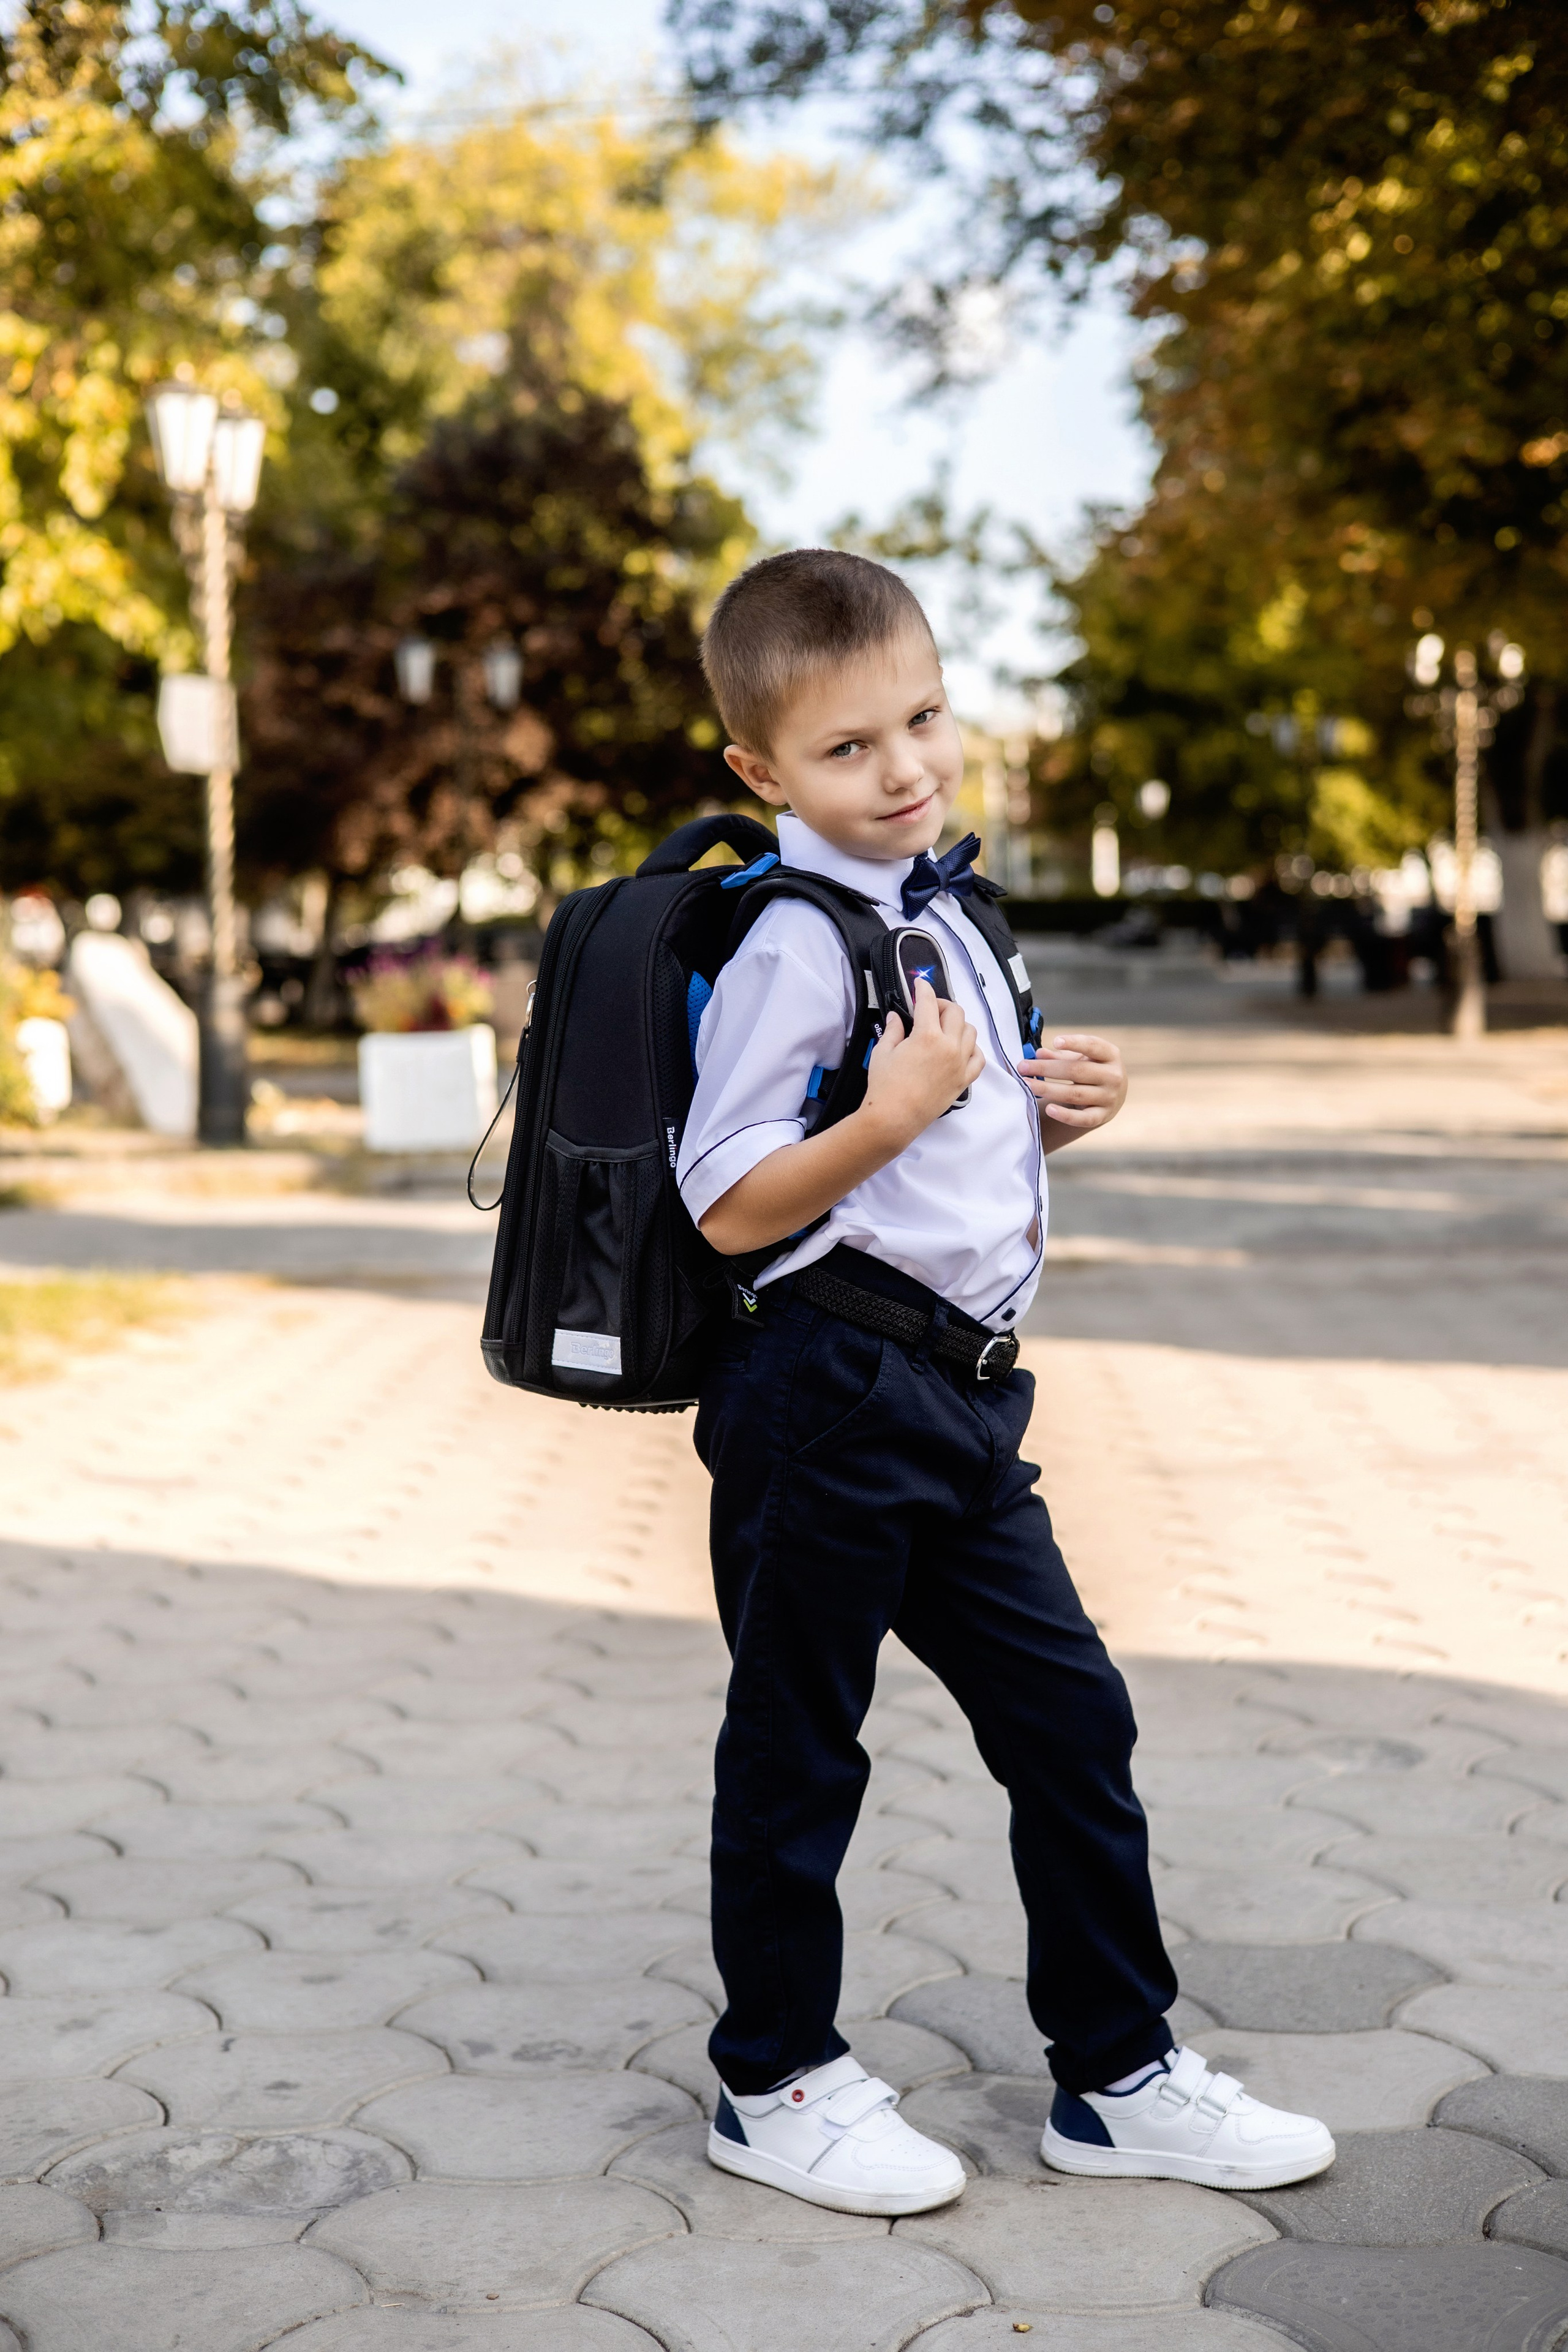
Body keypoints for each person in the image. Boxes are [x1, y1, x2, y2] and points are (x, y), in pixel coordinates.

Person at [678, 548, 1335, 2218]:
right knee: (802, 1749)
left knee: (1072, 1719)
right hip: (828, 1392)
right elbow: (728, 1198)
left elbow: (940, 1150)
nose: (903, 767)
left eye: (923, 719)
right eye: (847, 748)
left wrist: (1048, 1113)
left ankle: (1117, 2077)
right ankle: (775, 2080)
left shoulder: (950, 910)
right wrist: (892, 1116)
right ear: (763, 772)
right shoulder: (795, 941)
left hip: (966, 1402)